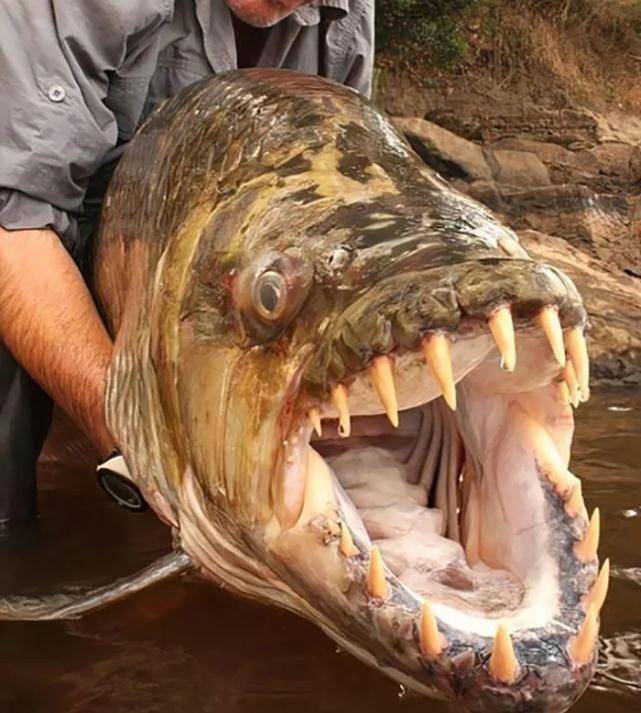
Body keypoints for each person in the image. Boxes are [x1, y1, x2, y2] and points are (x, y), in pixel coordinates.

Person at [0, 0, 374, 523]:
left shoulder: (349, 14)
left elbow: (335, 215)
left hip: (198, 263)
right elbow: (13, 224)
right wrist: (146, 436)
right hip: (40, 223)